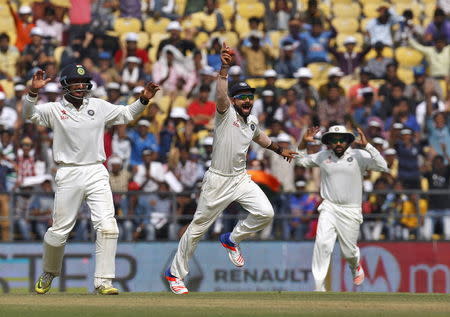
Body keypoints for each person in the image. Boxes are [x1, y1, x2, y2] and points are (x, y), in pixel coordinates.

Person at [164, 42, 297, 294]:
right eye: (242, 97)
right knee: (197, 230)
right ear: (234, 101)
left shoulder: (252, 121)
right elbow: (221, 95)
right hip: (217, 180)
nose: (247, 100)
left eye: (250, 97)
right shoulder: (225, 114)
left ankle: (232, 239)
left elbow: (261, 138)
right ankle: (174, 274)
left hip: (240, 179)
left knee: (266, 213)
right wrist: (224, 69)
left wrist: (281, 150)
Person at [24, 64, 160, 295]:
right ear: (65, 85)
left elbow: (126, 114)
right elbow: (29, 115)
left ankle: (104, 282)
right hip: (68, 173)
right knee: (59, 232)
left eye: (84, 82)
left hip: (96, 170)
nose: (80, 86)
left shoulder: (98, 106)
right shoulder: (54, 109)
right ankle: (49, 271)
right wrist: (32, 93)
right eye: (75, 82)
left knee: (108, 227)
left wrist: (143, 100)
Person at [295, 125, 389, 291]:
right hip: (329, 207)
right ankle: (318, 286)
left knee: (349, 253)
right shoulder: (323, 156)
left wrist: (367, 145)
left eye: (341, 139)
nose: (338, 143)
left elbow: (383, 166)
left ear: (348, 141)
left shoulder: (359, 155)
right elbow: (300, 160)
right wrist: (303, 142)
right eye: (334, 140)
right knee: (322, 244)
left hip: (351, 210)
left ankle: (355, 266)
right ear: (329, 142)